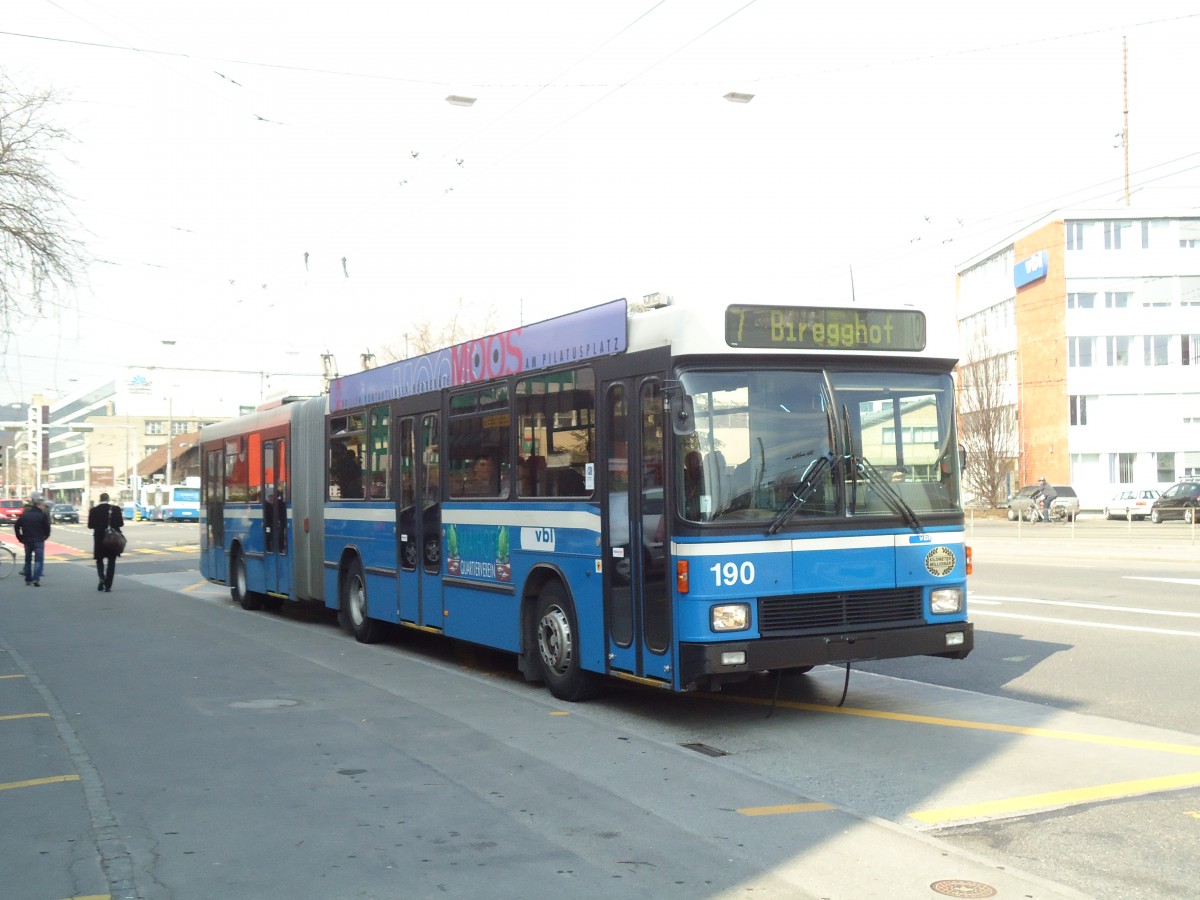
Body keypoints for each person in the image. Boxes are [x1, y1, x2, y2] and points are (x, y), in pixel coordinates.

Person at [88, 492, 125, 592]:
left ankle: (101, 578)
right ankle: (108, 585)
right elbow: (120, 523)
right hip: (112, 539)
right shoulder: (115, 509)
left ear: (100, 499)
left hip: (99, 539)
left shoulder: (94, 510)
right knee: (111, 561)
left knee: (99, 560)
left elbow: (90, 525)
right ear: (108, 499)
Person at [14, 491, 52, 587]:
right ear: (39, 505)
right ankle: (36, 579)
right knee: (38, 560)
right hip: (39, 540)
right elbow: (47, 527)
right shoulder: (41, 515)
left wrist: (20, 537)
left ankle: (28, 579)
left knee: (28, 560)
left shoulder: (25, 515)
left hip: (27, 540)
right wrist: (45, 536)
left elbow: (16, 526)